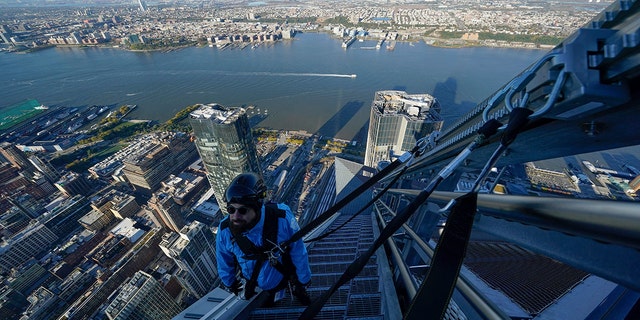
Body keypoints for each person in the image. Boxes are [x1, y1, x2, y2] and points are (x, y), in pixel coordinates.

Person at [216, 172, 312, 306]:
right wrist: (229, 282)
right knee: (269, 300)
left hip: (282, 275)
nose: (235, 216)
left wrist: (304, 279)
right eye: (231, 209)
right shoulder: (225, 230)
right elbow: (223, 259)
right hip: (255, 281)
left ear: (258, 207)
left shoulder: (282, 218)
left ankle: (299, 291)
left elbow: (298, 250)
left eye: (243, 210)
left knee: (292, 287)